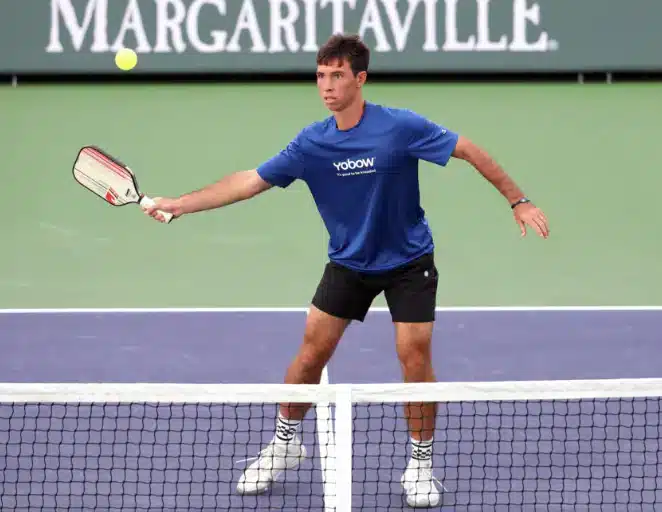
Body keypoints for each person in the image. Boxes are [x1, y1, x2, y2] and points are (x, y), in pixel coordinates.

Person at [143, 33, 550, 508]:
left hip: (408, 260)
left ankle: (420, 463)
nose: (327, 85)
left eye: (337, 75)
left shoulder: (399, 127)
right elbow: (249, 181)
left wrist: (518, 200)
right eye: (320, 75)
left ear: (360, 78)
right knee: (311, 353)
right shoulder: (311, 143)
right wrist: (180, 205)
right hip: (349, 262)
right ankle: (284, 442)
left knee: (413, 354)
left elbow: (468, 149)